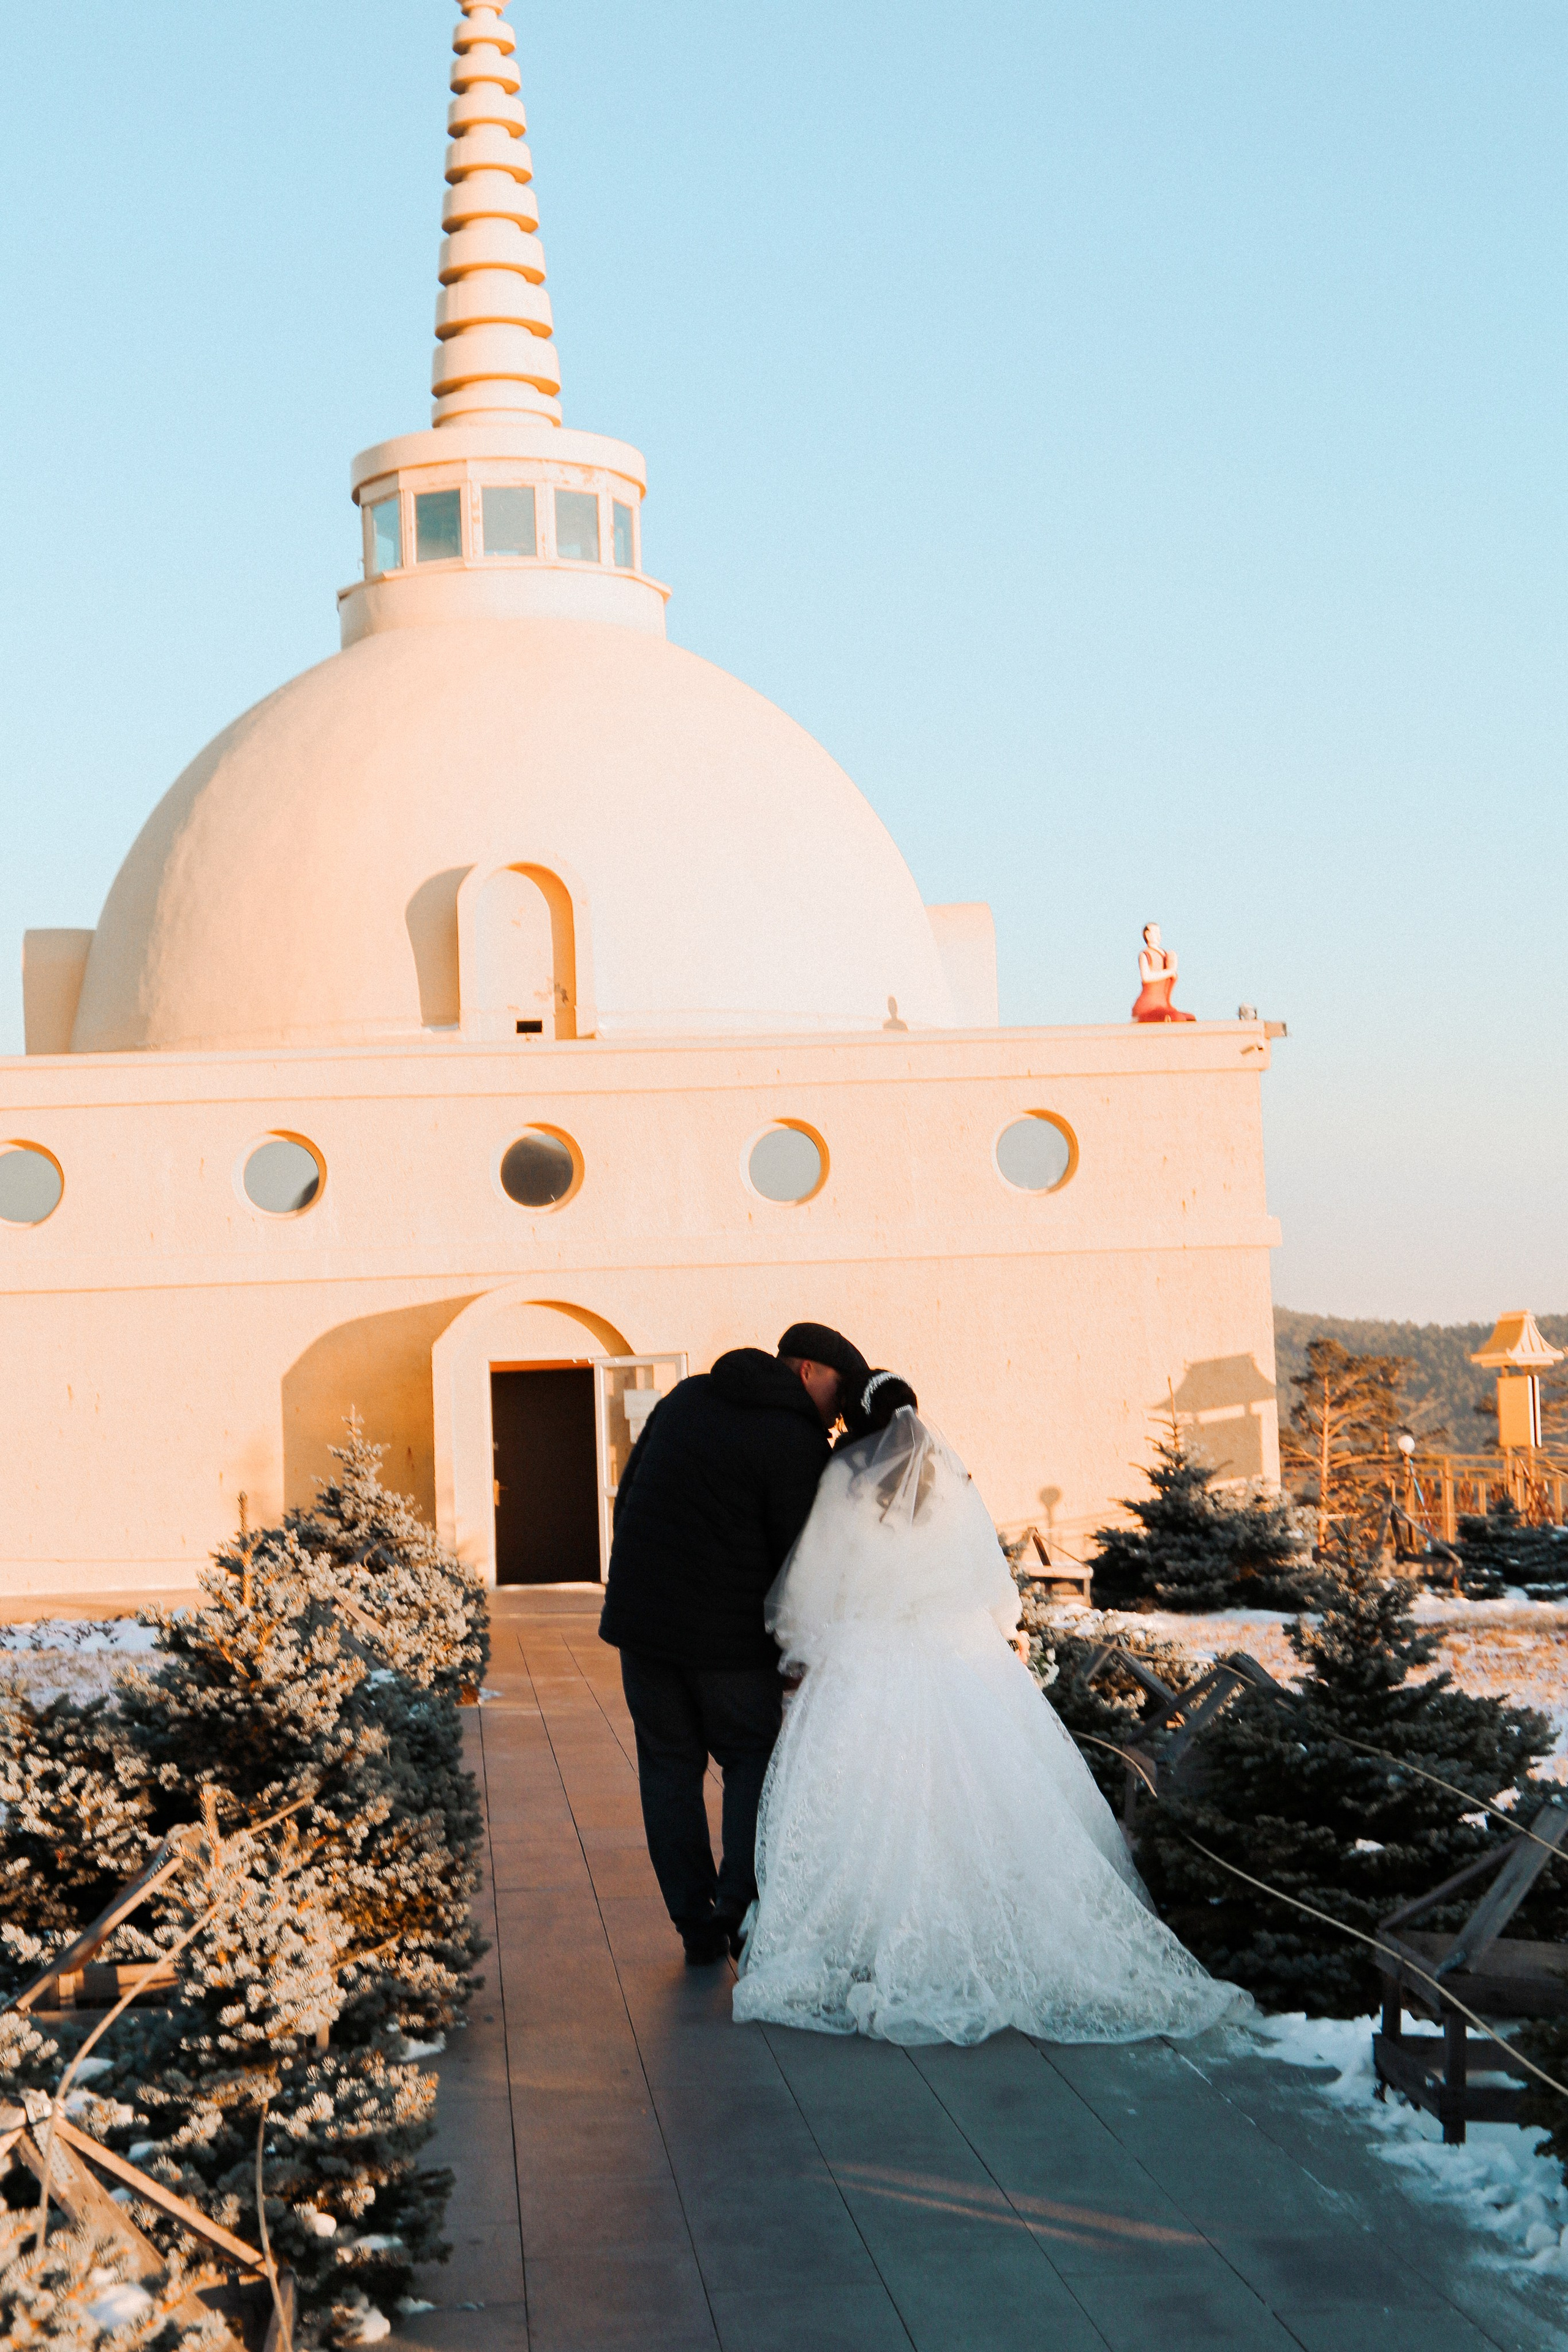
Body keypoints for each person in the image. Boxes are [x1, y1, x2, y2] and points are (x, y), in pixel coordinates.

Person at [733, 1373, 1242, 2043]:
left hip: (868, 1657)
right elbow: (993, 1583)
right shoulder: (947, 1476)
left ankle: (866, 1941)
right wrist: (993, 1631)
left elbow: (810, 1584)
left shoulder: (844, 1479)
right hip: (959, 1652)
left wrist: (800, 1641)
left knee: (868, 1801)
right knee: (979, 1797)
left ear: (855, 1421)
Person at [598, 1321, 870, 1966]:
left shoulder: (686, 1398)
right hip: (730, 1647)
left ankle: (694, 1923)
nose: (839, 1410)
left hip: (646, 1630)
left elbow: (628, 1497)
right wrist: (801, 1648)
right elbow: (800, 1560)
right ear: (807, 1371)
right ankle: (738, 1906)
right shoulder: (795, 1441)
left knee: (668, 1768)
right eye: (838, 1390)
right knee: (751, 1761)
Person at [1131, 920, 1196, 1022]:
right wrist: (1169, 972)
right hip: (1149, 1007)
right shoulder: (1145, 955)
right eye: (1155, 933)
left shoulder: (1165, 955)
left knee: (1190, 1018)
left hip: (1164, 1006)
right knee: (1176, 1018)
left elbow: (1172, 976)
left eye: (1159, 933)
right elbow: (1146, 977)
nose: (1158, 936)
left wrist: (1172, 967)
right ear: (1148, 935)